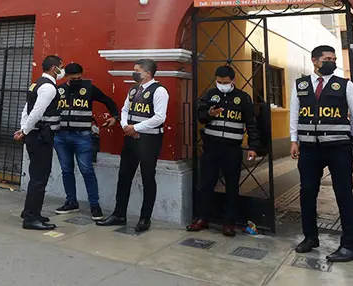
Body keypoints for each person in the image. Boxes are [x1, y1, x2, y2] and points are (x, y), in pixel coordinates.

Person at [290, 45, 353, 263]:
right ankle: (310, 237)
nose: (332, 62)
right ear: (315, 61)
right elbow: (295, 114)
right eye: (327, 58)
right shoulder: (301, 85)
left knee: (344, 194)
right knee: (307, 193)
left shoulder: (345, 85)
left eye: (333, 58)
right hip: (309, 148)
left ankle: (349, 245)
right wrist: (293, 140)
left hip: (338, 148)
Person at [186, 66, 260, 236]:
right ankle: (202, 218)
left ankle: (229, 222)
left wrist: (253, 146)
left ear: (233, 81)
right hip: (211, 147)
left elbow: (251, 123)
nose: (221, 85)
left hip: (232, 149)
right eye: (219, 82)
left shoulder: (242, 98)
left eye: (225, 82)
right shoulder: (210, 95)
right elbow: (201, 116)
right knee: (206, 184)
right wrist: (210, 113)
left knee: (232, 186)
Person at [96, 59, 168, 233]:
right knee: (124, 176)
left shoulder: (159, 91)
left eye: (137, 70)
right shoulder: (134, 89)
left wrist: (136, 128)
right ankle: (119, 214)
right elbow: (124, 110)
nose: (134, 73)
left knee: (147, 178)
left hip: (149, 141)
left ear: (148, 73)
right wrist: (126, 127)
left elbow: (159, 117)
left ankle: (145, 218)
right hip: (131, 139)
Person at [53, 62, 119, 220]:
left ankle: (95, 206)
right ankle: (71, 202)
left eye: (79, 77)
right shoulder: (59, 90)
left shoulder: (89, 88)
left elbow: (107, 100)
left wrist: (115, 117)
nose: (77, 80)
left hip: (82, 136)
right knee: (66, 170)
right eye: (73, 78)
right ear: (66, 77)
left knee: (87, 170)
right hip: (61, 135)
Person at [14, 55, 64, 230]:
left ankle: (32, 211)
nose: (62, 70)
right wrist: (25, 131)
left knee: (36, 176)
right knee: (39, 177)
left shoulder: (37, 83)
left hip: (35, 135)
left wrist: (23, 129)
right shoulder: (49, 87)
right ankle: (30, 218)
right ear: (54, 68)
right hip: (41, 136)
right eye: (61, 66)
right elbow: (36, 111)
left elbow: (26, 109)